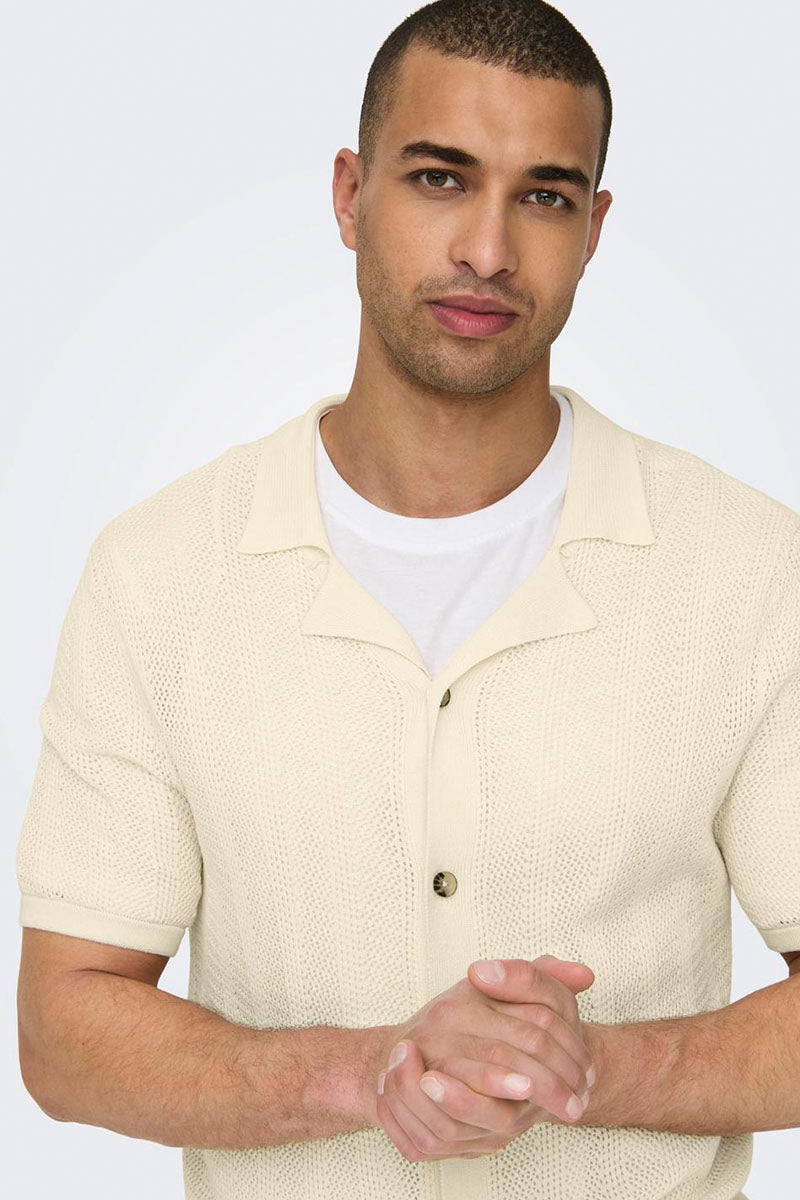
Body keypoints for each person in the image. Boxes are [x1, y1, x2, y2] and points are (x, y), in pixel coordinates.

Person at [14, 1, 800, 1198]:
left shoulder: (747, 571)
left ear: (592, 229)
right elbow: (65, 1030)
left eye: (543, 196)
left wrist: (583, 1067)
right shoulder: (160, 575)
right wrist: (367, 1073)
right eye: (439, 178)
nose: (487, 249)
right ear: (349, 195)